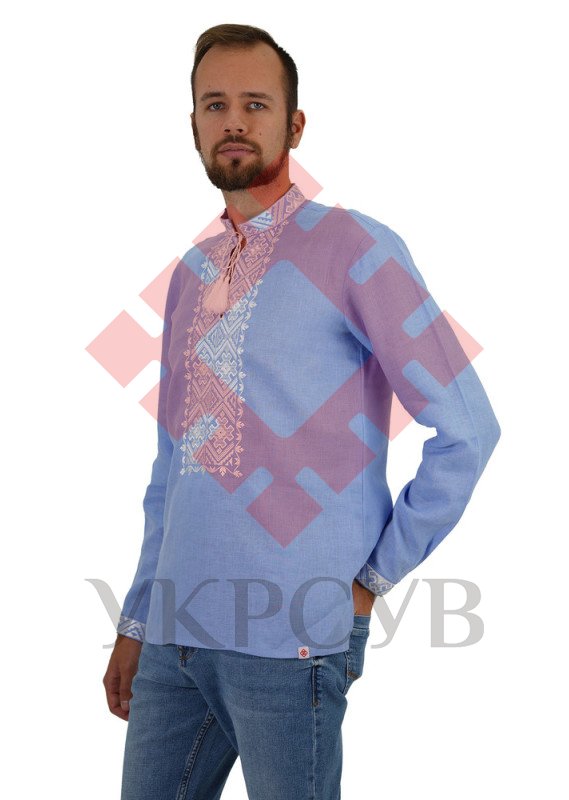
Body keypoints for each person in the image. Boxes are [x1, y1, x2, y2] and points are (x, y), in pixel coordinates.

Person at [103, 23, 501, 800]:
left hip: (291, 637)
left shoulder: (355, 247)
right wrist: (137, 619)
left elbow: (467, 429)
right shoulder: (190, 273)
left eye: (255, 104)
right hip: (174, 639)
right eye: (215, 105)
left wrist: (371, 579)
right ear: (193, 126)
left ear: (294, 124)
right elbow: (170, 469)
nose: (233, 121)